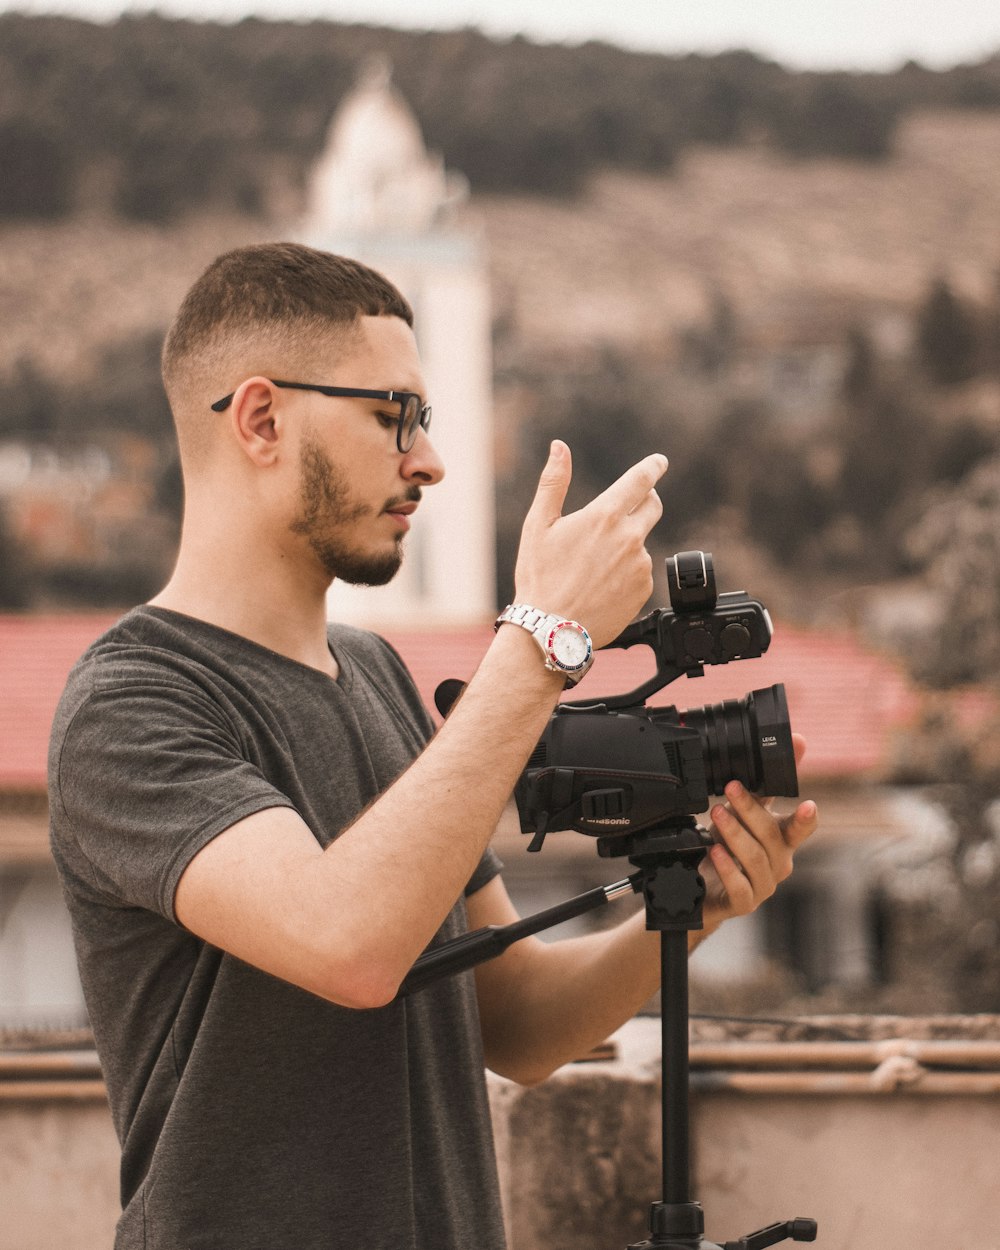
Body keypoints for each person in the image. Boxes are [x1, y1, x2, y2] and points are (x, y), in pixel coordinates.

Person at [48, 242, 818, 1250]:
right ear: (262, 418)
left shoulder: (374, 674)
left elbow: (518, 1021)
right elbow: (349, 944)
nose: (429, 459)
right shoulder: (134, 700)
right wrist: (541, 636)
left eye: (426, 420)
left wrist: (694, 905)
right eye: (391, 415)